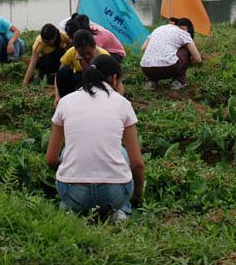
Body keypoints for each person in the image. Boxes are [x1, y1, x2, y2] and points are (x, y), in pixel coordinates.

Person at [45, 55, 144, 223]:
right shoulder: (122, 104)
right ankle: (121, 211)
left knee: (66, 152)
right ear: (114, 78)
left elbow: (50, 159)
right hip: (115, 193)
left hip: (73, 191)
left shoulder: (65, 102)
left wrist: (73, 173)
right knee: (121, 152)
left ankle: (71, 208)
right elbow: (137, 164)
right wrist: (137, 197)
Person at [139, 18, 202, 91]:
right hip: (169, 68)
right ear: (185, 28)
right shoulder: (183, 32)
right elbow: (198, 59)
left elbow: (143, 48)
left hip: (146, 69)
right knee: (186, 50)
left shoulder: (158, 29)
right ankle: (179, 81)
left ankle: (151, 81)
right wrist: (188, 63)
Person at [54, 29, 109, 103]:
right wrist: (57, 96)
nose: (86, 56)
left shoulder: (104, 56)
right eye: (82, 54)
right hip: (78, 81)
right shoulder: (72, 52)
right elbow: (58, 75)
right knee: (64, 71)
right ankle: (66, 101)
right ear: (76, 49)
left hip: (97, 85)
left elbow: (112, 81)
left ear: (94, 46)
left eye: (89, 53)